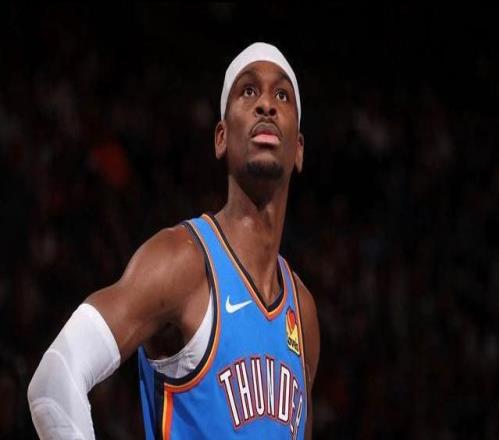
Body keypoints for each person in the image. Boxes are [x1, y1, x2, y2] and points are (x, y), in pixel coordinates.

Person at [27, 42, 320, 439]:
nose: (266, 104)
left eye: (282, 95)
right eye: (248, 90)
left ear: (299, 149)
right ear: (221, 137)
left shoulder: (302, 312)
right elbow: (54, 381)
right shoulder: (183, 261)